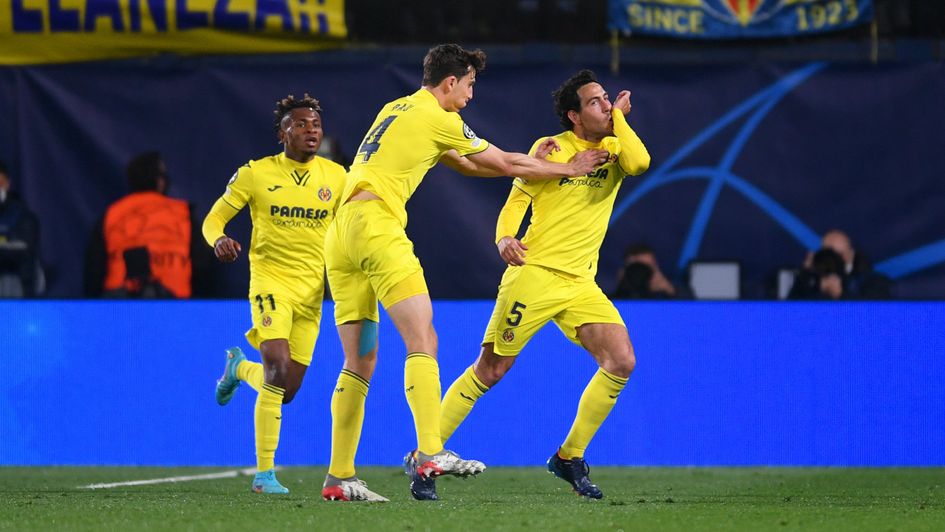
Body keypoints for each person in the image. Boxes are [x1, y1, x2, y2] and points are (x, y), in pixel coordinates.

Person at [323, 44, 609, 502]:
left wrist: (540, 168)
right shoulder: (441, 117)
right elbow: (505, 162)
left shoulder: (397, 108)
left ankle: (339, 477)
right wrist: (565, 168)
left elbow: (467, 163)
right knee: (423, 340)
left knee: (360, 359)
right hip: (377, 228)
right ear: (451, 81)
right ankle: (431, 452)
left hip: (341, 235)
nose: (472, 94)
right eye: (470, 84)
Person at [436, 69, 650, 499]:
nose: (606, 106)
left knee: (621, 361)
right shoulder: (551, 149)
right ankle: (427, 451)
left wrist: (619, 121)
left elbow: (640, 162)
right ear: (574, 115)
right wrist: (504, 237)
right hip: (535, 274)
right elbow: (518, 198)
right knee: (491, 369)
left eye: (607, 98)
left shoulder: (615, 147)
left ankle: (569, 457)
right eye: (595, 102)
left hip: (581, 284)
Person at [201, 95, 370, 497]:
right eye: (300, 124)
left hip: (313, 293)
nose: (311, 130)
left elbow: (356, 227)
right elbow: (213, 218)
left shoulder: (338, 178)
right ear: (283, 133)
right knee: (276, 366)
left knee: (285, 389)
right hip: (270, 282)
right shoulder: (255, 174)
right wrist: (219, 238)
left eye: (315, 123)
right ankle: (264, 475)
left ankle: (239, 370)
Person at [83, 152, 209, 298]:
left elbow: (94, 270)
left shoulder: (111, 215)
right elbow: (202, 268)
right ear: (160, 181)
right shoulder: (183, 214)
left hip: (119, 309)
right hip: (175, 309)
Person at [0, 160, 42, 297]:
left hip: (13, 293)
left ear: (8, 184)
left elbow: (22, 251)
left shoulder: (22, 217)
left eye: (0, 183)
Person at [820, 229, 892, 299]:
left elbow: (873, 309)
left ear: (851, 254)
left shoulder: (876, 283)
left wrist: (841, 295)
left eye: (840, 255)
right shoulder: (815, 282)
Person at [613, 243, 689, 299]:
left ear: (656, 269)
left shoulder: (666, 296)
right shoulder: (608, 302)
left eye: (645, 267)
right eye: (635, 268)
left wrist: (670, 291)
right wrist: (621, 287)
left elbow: (693, 311)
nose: (639, 273)